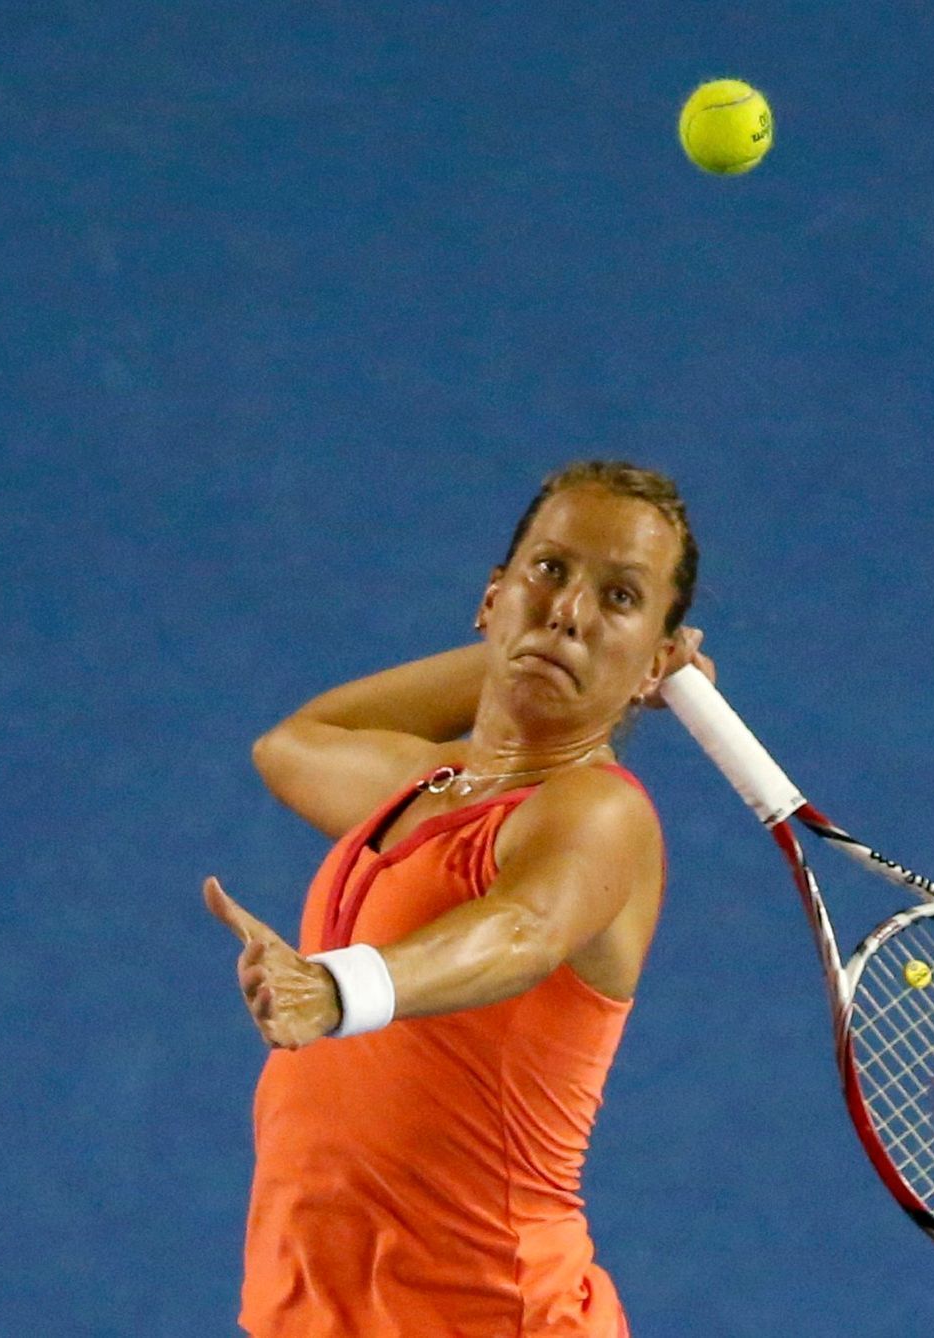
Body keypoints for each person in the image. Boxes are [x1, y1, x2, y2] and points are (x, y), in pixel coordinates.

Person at [204, 460, 712, 1337]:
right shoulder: (413, 787)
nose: (570, 611)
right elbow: (292, 745)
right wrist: (534, 649)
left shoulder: (597, 813)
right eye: (549, 572)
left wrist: (339, 990)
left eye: (619, 599)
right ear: (491, 598)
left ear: (658, 663)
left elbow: (519, 931)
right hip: (312, 1311)